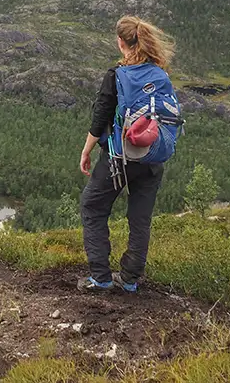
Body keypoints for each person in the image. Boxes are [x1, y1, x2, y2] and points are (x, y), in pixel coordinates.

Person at [78, 15, 175, 293]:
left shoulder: (117, 75)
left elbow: (100, 119)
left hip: (119, 158)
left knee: (93, 206)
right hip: (153, 157)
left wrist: (86, 151)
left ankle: (101, 277)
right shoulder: (160, 74)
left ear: (121, 42)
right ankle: (130, 280)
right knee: (140, 218)